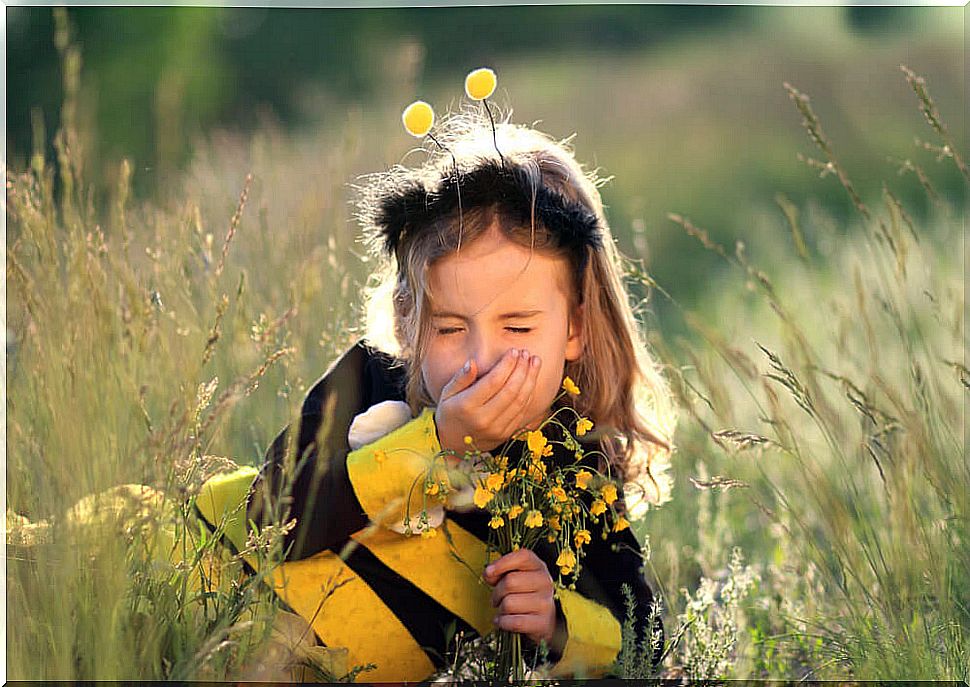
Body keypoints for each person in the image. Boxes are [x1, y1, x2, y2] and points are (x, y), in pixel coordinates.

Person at [197, 97, 678, 682]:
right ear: (408, 323)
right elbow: (272, 516)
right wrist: (439, 443)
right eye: (449, 328)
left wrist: (556, 619)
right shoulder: (373, 378)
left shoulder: (575, 463)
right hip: (207, 586)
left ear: (574, 326)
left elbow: (643, 636)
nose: (481, 359)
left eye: (518, 327)